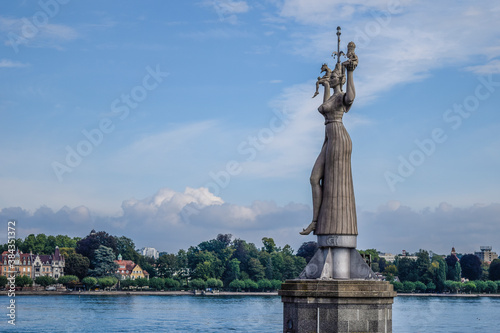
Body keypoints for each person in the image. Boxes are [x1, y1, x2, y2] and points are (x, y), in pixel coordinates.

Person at [300, 54, 357, 236]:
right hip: (329, 138)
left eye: (333, 77)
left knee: (334, 182)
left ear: (339, 79)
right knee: (314, 179)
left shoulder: (341, 97)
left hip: (339, 138)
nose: (330, 78)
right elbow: (324, 107)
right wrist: (325, 85)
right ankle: (315, 221)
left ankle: (329, 224)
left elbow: (351, 98)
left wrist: (350, 73)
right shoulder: (332, 97)